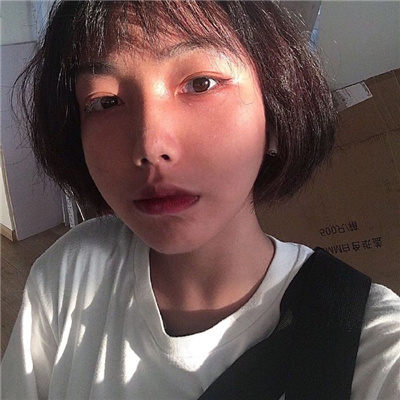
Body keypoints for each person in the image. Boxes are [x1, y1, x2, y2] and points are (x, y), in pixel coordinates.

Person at [2, 1, 399, 399]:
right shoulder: (68, 272)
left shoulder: (367, 343)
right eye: (105, 102)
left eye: (201, 83)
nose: (150, 146)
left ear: (275, 112)